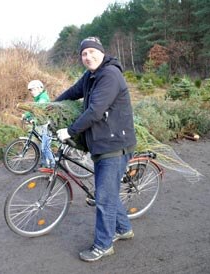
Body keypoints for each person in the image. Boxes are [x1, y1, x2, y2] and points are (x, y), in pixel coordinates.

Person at [55, 37, 137, 262]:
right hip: (102, 143)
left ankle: (103, 244)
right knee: (107, 193)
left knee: (104, 198)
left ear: (102, 53)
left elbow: (95, 111)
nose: (88, 57)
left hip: (115, 145)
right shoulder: (91, 76)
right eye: (84, 54)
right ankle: (123, 229)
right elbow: (73, 91)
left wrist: (70, 131)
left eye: (92, 52)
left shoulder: (109, 75)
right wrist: (49, 107)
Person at [22, 80, 55, 168]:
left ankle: (53, 165)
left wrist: (33, 119)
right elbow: (34, 109)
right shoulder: (38, 98)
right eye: (31, 90)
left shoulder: (43, 98)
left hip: (47, 125)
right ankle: (44, 164)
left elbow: (38, 110)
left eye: (33, 90)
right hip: (42, 125)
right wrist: (27, 116)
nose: (32, 92)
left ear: (39, 89)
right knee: (42, 145)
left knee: (45, 147)